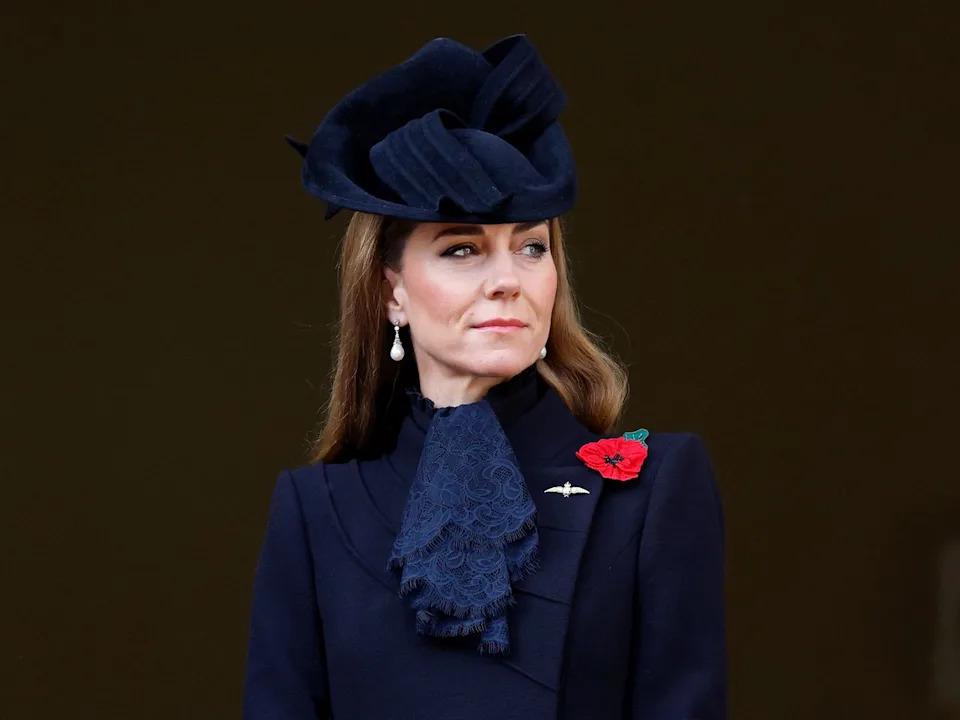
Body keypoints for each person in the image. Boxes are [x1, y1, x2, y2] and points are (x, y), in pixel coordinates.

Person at [242, 34, 727, 719]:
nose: (508, 280)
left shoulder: (654, 490)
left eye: (532, 246)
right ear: (391, 292)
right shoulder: (314, 510)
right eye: (463, 249)